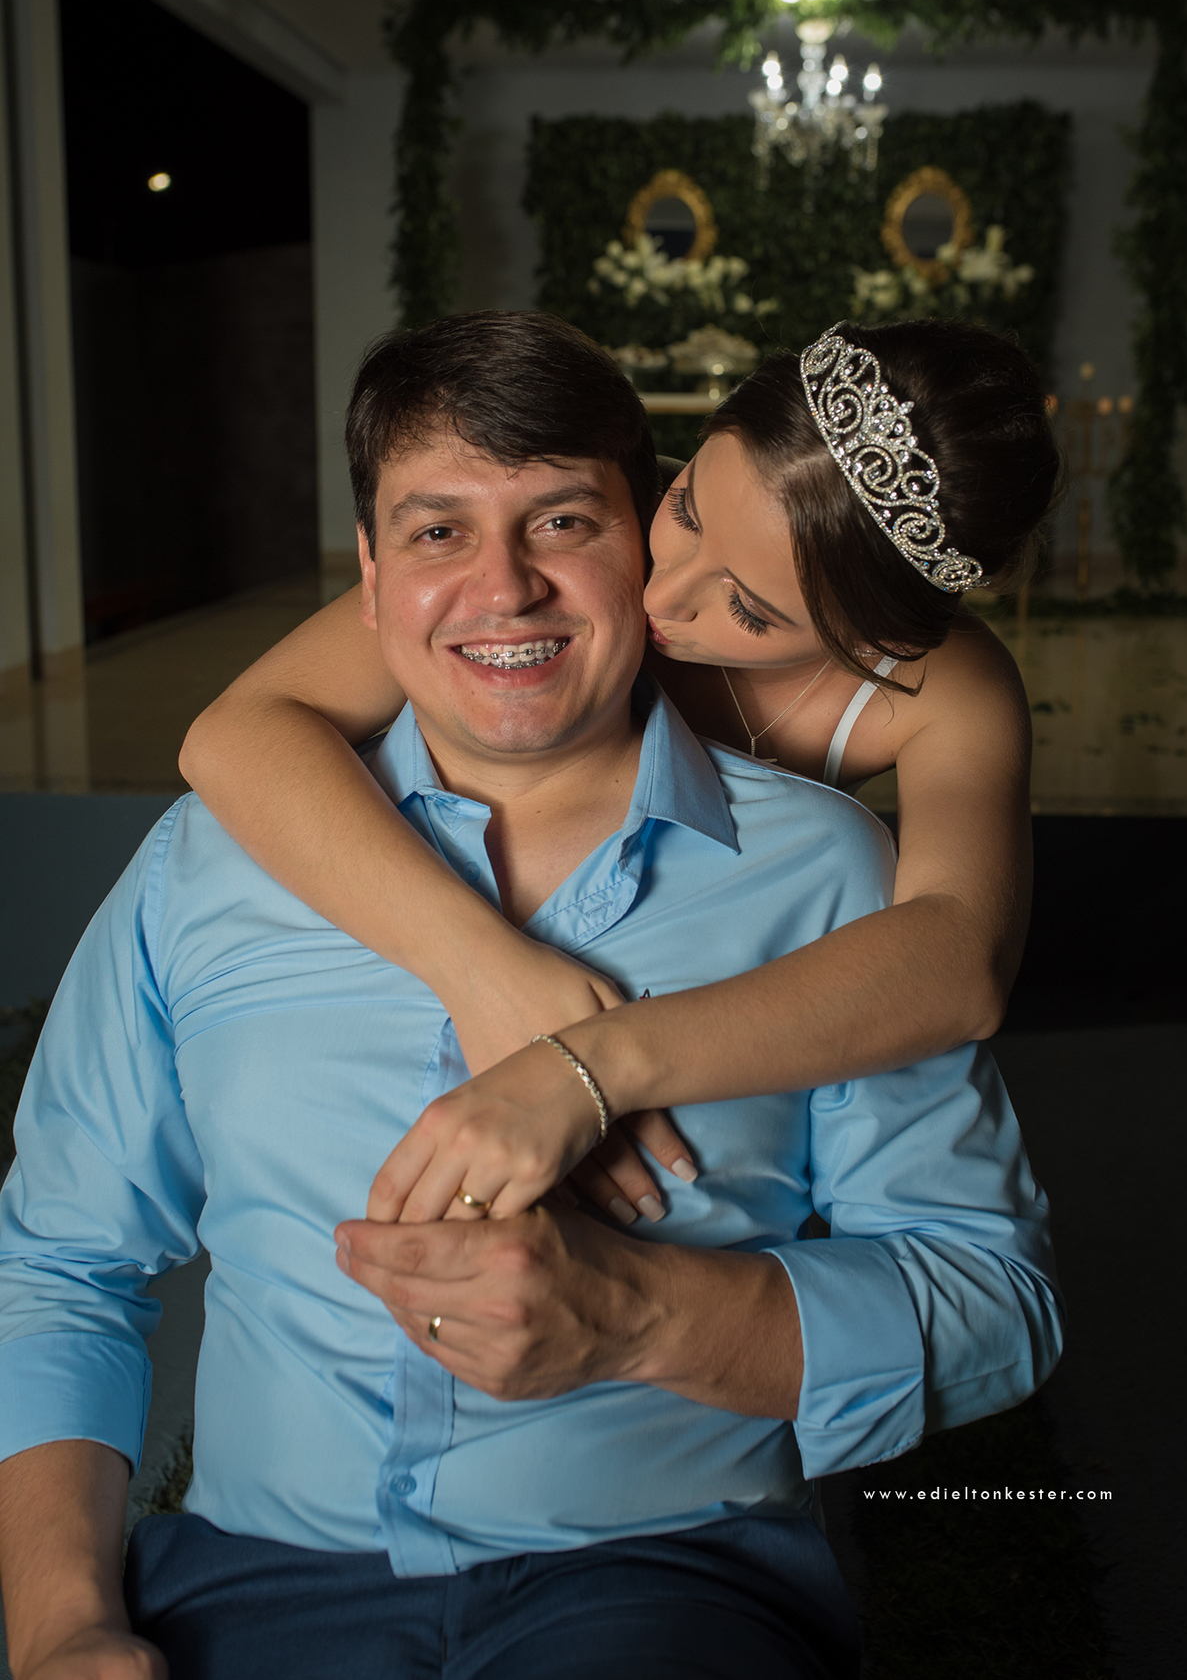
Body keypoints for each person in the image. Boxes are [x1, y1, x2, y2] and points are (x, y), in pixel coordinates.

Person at [0, 314, 1061, 1680]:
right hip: (257, 1574)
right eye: (685, 514)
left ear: (862, 631)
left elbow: (973, 1111)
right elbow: (61, 1263)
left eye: (565, 520)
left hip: (664, 1579)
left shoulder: (846, 857)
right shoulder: (213, 857)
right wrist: (61, 1624)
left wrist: (632, 1259)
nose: (508, 588)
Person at [179, 311, 1060, 1225]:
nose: (661, 593)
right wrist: (480, 969)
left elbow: (961, 958)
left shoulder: (946, 688)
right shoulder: (577, 523)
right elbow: (237, 732)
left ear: (874, 639)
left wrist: (596, 1064)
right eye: (685, 512)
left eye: (750, 611)